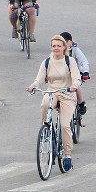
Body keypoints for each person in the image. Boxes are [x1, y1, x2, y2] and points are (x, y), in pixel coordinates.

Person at [27, 35, 82, 172]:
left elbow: (77, 78)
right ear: (51, 48)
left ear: (64, 47)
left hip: (67, 94)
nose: (56, 48)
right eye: (53, 46)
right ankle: (46, 129)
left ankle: (67, 155)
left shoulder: (70, 61)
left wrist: (74, 86)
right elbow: (39, 80)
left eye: (59, 45)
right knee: (45, 104)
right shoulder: (46, 62)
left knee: (64, 125)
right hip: (52, 91)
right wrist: (33, 85)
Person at [59, 31, 90, 116]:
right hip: (61, 75)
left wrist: (85, 72)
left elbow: (84, 61)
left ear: (70, 42)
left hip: (75, 74)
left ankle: (80, 104)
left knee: (77, 87)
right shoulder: (57, 50)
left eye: (66, 42)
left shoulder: (75, 50)